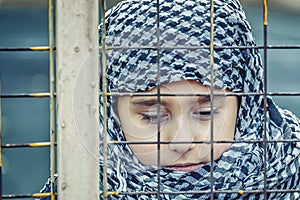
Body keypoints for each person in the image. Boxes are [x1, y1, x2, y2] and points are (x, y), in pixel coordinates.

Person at [39, 0, 300, 199]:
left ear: (245, 106)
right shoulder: (78, 186)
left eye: (206, 112)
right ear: (111, 114)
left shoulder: (290, 169)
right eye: (152, 116)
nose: (182, 141)